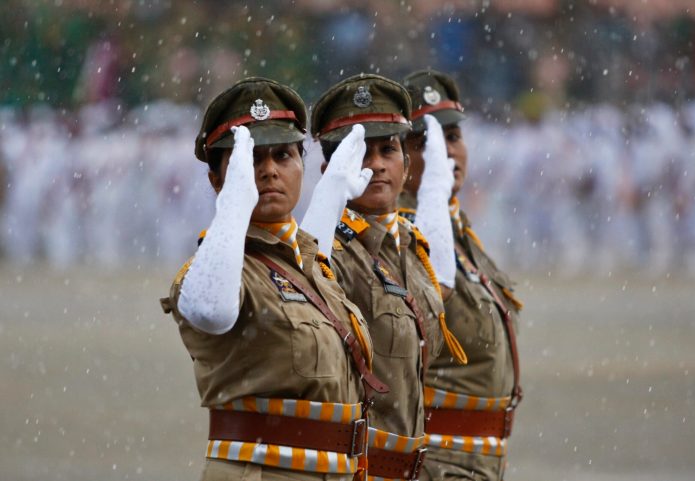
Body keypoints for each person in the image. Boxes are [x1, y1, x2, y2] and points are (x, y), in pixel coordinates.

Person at [159, 77, 388, 481]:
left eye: (283, 156)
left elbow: (304, 262)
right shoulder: (218, 271)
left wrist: (332, 194)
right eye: (252, 162)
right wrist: (234, 202)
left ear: (301, 164)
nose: (268, 172)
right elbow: (212, 309)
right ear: (217, 180)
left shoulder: (308, 263)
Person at [301, 73, 467, 481]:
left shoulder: (411, 246)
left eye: (388, 149)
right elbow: (306, 295)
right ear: (331, 168)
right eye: (360, 152)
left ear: (406, 163)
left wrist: (434, 198)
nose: (375, 164)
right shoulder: (330, 254)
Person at [399, 69, 523, 481]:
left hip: (476, 464)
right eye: (426, 144)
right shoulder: (398, 235)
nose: (446, 154)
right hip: (436, 464)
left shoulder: (455, 228)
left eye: (452, 138)